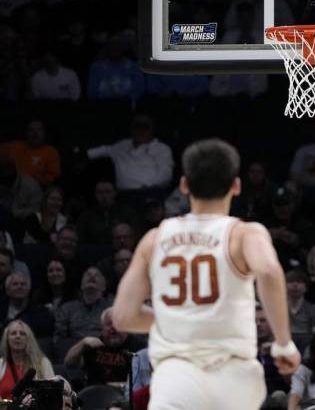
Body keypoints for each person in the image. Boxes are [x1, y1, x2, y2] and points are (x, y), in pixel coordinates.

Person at [112, 138, 300, 410]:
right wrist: (283, 342)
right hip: (233, 377)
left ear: (184, 184)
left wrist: (180, 319)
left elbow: (123, 317)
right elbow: (270, 271)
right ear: (236, 185)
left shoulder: (154, 239)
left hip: (175, 379)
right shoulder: (245, 233)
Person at [86, 114, 174, 192]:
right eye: (137, 127)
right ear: (132, 129)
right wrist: (84, 155)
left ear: (152, 130)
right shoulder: (122, 145)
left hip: (149, 192)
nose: (141, 131)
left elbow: (165, 176)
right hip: (123, 195)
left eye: (145, 127)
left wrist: (147, 186)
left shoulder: (162, 149)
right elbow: (105, 150)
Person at [64, 308, 144, 386]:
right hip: (95, 393)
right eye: (109, 324)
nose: (113, 328)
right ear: (102, 327)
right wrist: (82, 343)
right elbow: (69, 363)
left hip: (127, 393)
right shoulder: (93, 344)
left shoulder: (139, 346)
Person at [0, 320, 54, 399]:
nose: (18, 336)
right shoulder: (0, 364)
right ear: (7, 339)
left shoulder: (43, 363)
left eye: (22, 333)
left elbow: (52, 392)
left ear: (29, 339)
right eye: (13, 333)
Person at [0, 119, 61, 187]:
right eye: (31, 130)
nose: (35, 133)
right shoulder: (14, 146)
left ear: (45, 132)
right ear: (26, 133)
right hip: (11, 188)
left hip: (37, 189)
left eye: (39, 129)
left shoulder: (51, 152)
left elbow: (53, 178)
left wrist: (37, 179)